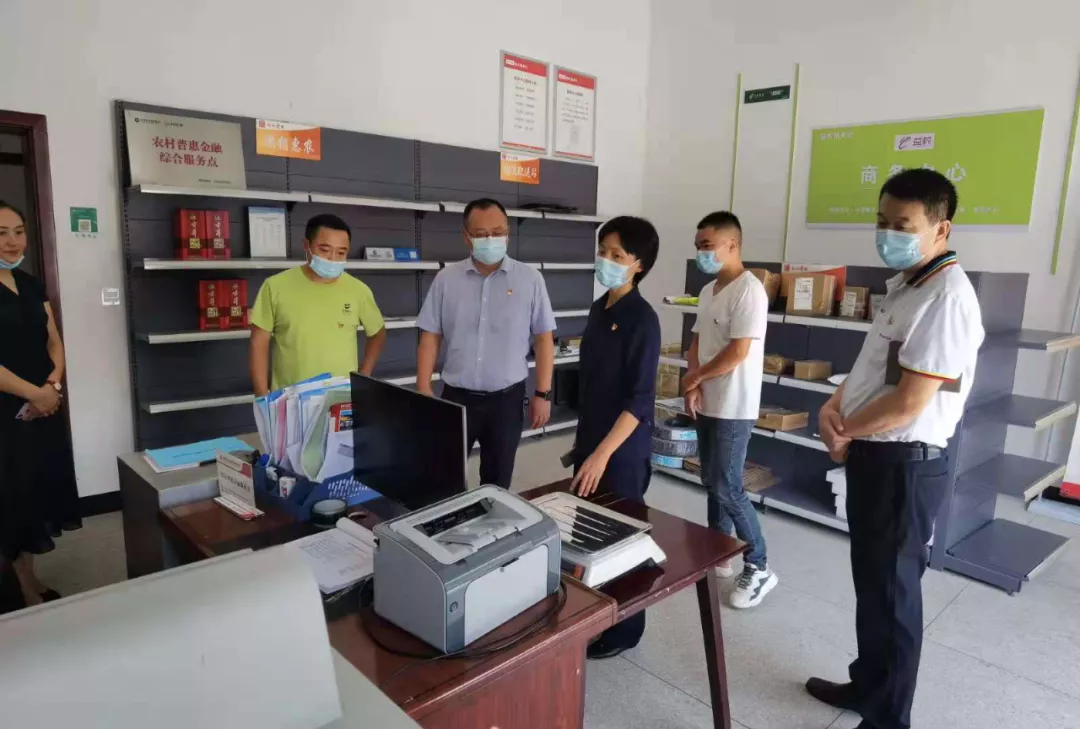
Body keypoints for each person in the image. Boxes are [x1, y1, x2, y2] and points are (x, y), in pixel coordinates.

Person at [806, 169, 984, 729]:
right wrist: (835, 406)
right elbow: (873, 369)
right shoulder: (908, 286)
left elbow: (909, 402)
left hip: (904, 465)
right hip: (876, 454)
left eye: (903, 225)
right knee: (873, 586)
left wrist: (845, 430)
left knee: (893, 595)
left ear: (941, 228)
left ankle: (888, 718)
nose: (887, 234)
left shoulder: (946, 298)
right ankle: (868, 685)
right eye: (882, 221)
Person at [416, 198, 556, 489]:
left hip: (507, 401)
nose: (490, 239)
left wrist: (543, 393)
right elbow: (430, 335)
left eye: (498, 232)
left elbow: (544, 339)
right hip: (456, 399)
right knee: (444, 477)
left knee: (497, 481)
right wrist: (423, 388)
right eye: (481, 234)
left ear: (508, 233)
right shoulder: (446, 279)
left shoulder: (530, 279)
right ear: (466, 237)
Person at [571, 215, 661, 659]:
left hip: (621, 450)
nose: (605, 260)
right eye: (602, 251)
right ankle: (598, 614)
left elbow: (640, 399)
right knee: (591, 534)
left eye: (617, 255)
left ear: (638, 264)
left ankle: (627, 629)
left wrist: (603, 453)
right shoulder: (599, 308)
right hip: (593, 439)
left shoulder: (642, 320)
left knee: (622, 537)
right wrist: (586, 445)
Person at [682, 211, 777, 609]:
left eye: (707, 246)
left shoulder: (749, 291)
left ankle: (759, 564)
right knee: (710, 480)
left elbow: (738, 352)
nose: (701, 253)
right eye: (698, 246)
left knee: (727, 486)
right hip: (708, 399)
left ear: (732, 244)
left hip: (734, 405)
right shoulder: (709, 290)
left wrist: (697, 377)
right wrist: (693, 383)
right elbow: (697, 340)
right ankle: (719, 551)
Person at [0, 201, 81, 609]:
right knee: (11, 496)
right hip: (7, 412)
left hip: (41, 404)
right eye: (1, 234)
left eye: (18, 231)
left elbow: (54, 340)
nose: (12, 241)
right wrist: (35, 394)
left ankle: (28, 575)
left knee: (34, 491)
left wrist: (52, 384)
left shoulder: (30, 284)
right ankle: (19, 590)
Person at [249, 214, 386, 395]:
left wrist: (364, 375)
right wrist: (261, 395)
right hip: (289, 399)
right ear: (306, 246)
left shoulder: (359, 291)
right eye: (325, 250)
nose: (333, 259)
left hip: (341, 398)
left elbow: (378, 333)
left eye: (341, 252)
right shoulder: (275, 286)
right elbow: (259, 342)